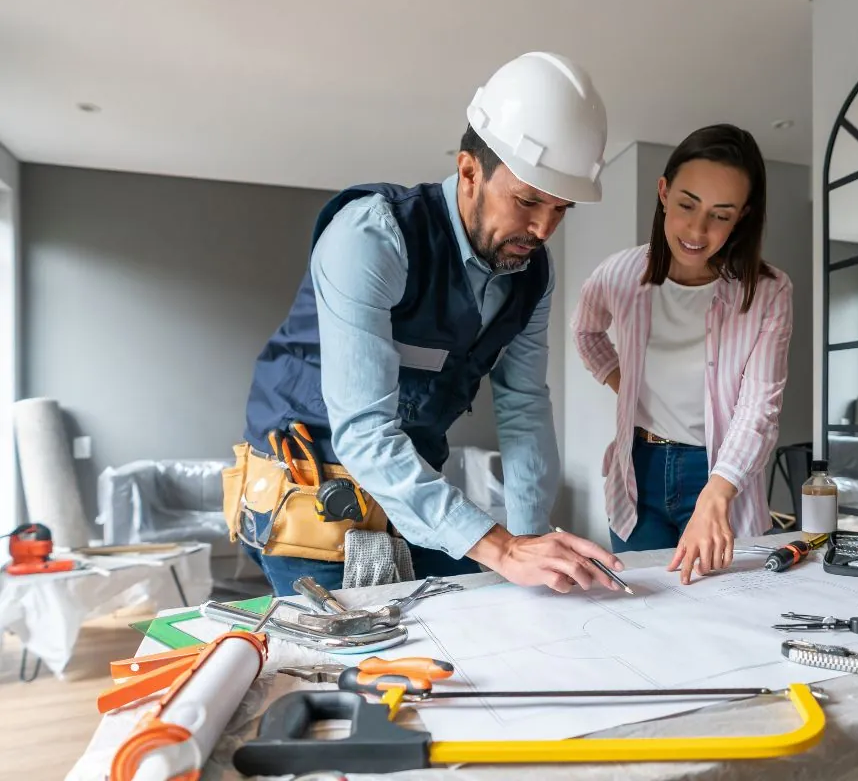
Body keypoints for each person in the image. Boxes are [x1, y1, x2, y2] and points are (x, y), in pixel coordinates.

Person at [221, 51, 626, 596]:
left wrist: (532, 543)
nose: (543, 228)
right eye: (528, 201)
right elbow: (364, 432)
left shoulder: (532, 273)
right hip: (309, 493)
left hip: (412, 487)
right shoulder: (371, 237)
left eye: (561, 209)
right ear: (468, 172)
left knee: (491, 617)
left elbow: (524, 404)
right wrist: (501, 548)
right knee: (364, 655)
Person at [572, 124, 794, 585]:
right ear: (663, 193)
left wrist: (717, 493)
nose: (697, 230)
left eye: (721, 215)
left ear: (742, 217)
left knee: (723, 614)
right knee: (641, 608)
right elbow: (586, 331)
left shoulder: (770, 292)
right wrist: (624, 383)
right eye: (687, 205)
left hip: (719, 474)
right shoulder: (619, 274)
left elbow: (760, 407)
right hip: (638, 470)